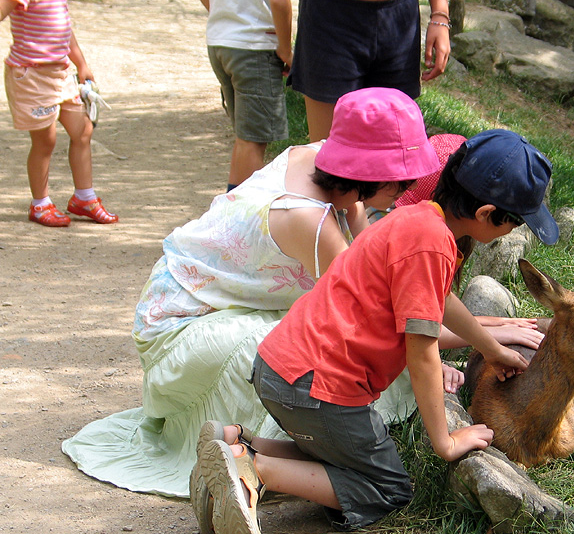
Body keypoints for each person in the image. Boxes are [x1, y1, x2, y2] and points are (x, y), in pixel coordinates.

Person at [61, 88, 543, 499]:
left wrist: (490, 338)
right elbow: (391, 316)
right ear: (372, 176)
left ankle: (238, 446)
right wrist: (467, 358)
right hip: (182, 323)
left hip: (219, 308)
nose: (405, 191)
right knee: (382, 476)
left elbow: (407, 293)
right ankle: (251, 469)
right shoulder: (310, 224)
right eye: (401, 179)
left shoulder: (325, 164)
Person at [195, 128, 560, 534]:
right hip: (316, 389)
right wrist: (444, 440)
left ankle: (236, 444)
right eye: (515, 221)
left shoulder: (415, 221)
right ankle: (253, 470)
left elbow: (439, 298)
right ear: (486, 213)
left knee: (344, 455)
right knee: (387, 488)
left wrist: (492, 346)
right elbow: (422, 352)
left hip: (280, 368)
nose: (514, 229)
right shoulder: (433, 245)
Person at [1, 0, 118, 227]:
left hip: (61, 73)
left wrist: (81, 63)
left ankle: (84, 198)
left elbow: (63, 30)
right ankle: (40, 203)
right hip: (31, 76)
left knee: (83, 130)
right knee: (46, 140)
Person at [288, 0, 451, 142]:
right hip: (330, 17)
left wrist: (440, 14)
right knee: (328, 151)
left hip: (400, 17)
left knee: (394, 151)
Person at [191, 0, 293, 193]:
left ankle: (230, 210)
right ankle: (245, 216)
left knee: (244, 138)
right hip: (254, 44)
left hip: (221, 40)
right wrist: (285, 49)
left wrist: (224, 14)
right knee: (253, 141)